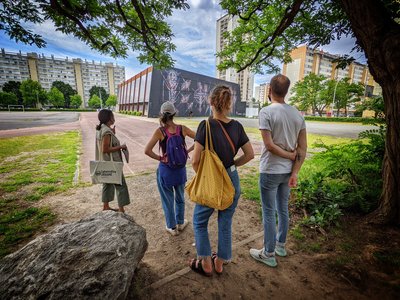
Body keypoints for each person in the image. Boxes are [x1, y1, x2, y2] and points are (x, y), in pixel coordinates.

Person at [189, 85, 254, 276]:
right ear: (228, 103)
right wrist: (231, 165)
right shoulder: (237, 126)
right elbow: (250, 154)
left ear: (210, 102)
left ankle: (206, 263)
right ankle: (220, 263)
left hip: (212, 180)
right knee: (225, 222)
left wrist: (204, 175)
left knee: (200, 221)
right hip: (231, 178)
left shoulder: (206, 125)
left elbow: (195, 160)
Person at [250, 74, 307, 267]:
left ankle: (268, 253)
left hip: (270, 171)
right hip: (287, 172)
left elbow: (270, 145)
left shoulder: (266, 112)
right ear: (287, 91)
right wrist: (295, 171)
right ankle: (281, 245)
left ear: (269, 90)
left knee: (268, 212)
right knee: (283, 209)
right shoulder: (298, 114)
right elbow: (303, 148)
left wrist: (290, 157)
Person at [144, 101, 196, 236]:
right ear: (174, 113)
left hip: (166, 170)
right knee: (180, 197)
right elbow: (200, 138)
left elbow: (147, 151)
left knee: (167, 200)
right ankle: (180, 222)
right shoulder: (182, 128)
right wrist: (187, 151)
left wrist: (161, 158)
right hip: (180, 170)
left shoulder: (160, 131)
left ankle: (172, 227)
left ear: (161, 114)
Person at [95, 109, 130, 213]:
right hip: (112, 163)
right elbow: (105, 149)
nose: (114, 118)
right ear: (109, 118)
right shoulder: (106, 132)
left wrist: (112, 133)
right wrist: (121, 147)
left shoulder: (101, 128)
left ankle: (106, 206)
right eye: (112, 116)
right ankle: (121, 209)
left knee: (107, 184)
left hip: (105, 162)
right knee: (120, 185)